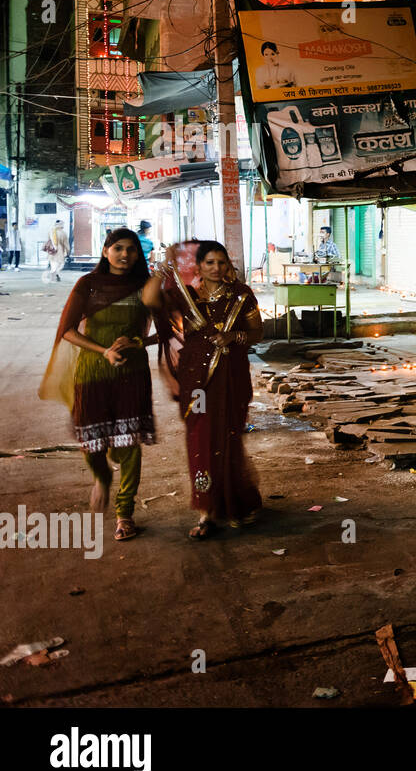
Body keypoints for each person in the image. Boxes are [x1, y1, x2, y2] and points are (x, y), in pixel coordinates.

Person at [39, 228, 156, 542]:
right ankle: (102, 478)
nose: (125, 255)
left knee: (128, 445)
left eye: (131, 249)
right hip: (92, 371)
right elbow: (67, 331)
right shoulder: (87, 285)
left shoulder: (145, 286)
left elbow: (168, 331)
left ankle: (124, 513)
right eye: (118, 248)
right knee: (93, 445)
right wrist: (103, 351)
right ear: (105, 251)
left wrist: (135, 342)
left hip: (132, 373)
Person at [143, 240, 263, 540]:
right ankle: (206, 510)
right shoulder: (187, 296)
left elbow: (256, 331)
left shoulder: (240, 295)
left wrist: (233, 336)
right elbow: (149, 299)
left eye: (221, 262)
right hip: (196, 379)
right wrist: (164, 267)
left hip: (232, 375)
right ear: (198, 267)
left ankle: (237, 502)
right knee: (200, 438)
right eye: (209, 262)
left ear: (228, 265)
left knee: (229, 436)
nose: (216, 268)